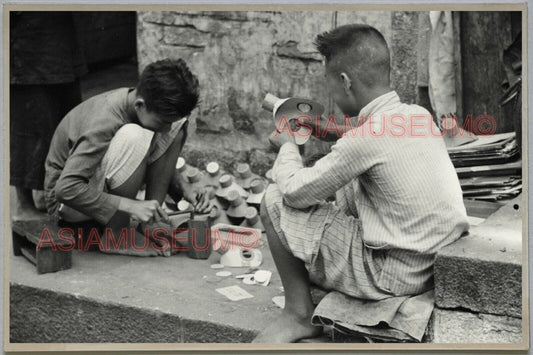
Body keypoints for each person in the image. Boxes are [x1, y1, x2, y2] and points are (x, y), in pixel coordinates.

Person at [254, 24, 469, 343]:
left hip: (390, 276)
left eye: (331, 84)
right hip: (427, 264)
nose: (331, 94)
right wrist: (331, 131)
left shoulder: (364, 140)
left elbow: (295, 192)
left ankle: (297, 313)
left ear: (344, 81)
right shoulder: (416, 115)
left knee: (273, 199)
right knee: (348, 178)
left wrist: (287, 146)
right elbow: (373, 141)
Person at [44, 58, 210, 256]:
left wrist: (184, 187)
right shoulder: (106, 119)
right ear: (140, 105)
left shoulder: (142, 106)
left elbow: (154, 150)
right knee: (134, 136)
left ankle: (151, 223)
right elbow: (66, 189)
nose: (165, 129)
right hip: (68, 206)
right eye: (162, 121)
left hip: (98, 189)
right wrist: (130, 206)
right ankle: (116, 237)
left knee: (176, 126)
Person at [10, 12, 86, 221]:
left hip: (60, 40)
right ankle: (22, 205)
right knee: (32, 126)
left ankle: (47, 194)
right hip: (28, 45)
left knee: (68, 121)